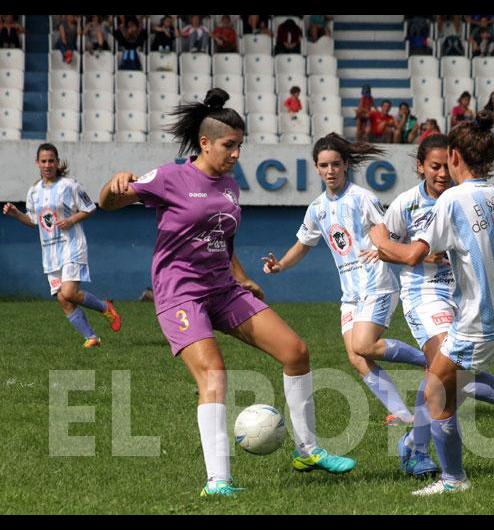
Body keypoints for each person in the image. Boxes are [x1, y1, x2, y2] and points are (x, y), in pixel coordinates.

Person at [96, 89, 356, 497]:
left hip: (223, 288)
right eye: (228, 145)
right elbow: (107, 204)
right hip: (181, 294)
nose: (236, 153)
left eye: (240, 145)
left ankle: (308, 451)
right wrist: (113, 187)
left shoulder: (230, 187)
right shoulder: (170, 177)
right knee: (215, 375)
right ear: (205, 143)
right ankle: (218, 480)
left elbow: (221, 238)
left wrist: (242, 276)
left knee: (296, 352)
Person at [367, 111, 494, 496]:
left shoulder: (451, 202)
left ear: (455, 156)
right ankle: (427, 449)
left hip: (478, 321)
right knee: (442, 384)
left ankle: (451, 477)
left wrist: (379, 238)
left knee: (436, 392)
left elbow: (409, 256)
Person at [262, 133, 432, 429]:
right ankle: (405, 415)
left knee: (364, 345)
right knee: (356, 356)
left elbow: (391, 232)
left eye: (336, 164)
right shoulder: (316, 208)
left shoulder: (362, 198)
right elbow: (303, 243)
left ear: (346, 165)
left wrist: (388, 250)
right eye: (324, 165)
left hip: (377, 284)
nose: (330, 171)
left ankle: (431, 360)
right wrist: (280, 267)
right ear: (316, 168)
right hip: (350, 295)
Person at [3, 143, 122, 348]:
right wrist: (16, 214)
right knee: (63, 299)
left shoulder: (70, 185)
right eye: (43, 161)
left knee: (69, 292)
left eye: (51, 161)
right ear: (37, 163)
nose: (47, 165)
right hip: (50, 253)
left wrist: (71, 220)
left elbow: (90, 208)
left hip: (71, 245)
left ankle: (105, 307)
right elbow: (34, 221)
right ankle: (91, 338)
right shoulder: (33, 192)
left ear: (57, 163)